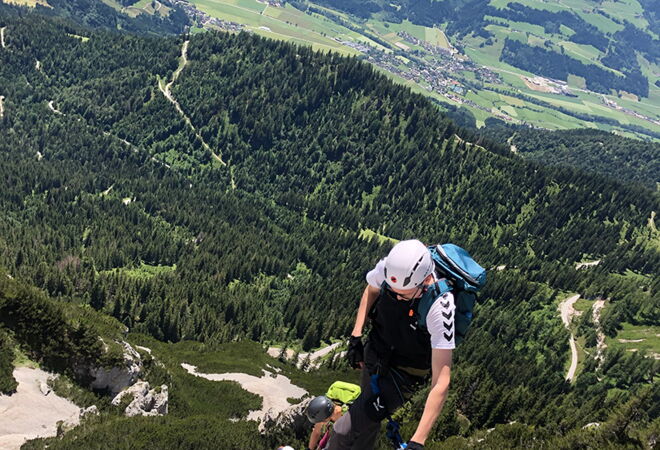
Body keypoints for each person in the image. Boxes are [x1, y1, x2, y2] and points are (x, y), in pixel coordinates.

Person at [327, 239, 456, 450]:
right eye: (393, 290)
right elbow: (371, 290)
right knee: (369, 419)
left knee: (342, 431)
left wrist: (417, 441)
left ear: (424, 282)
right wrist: (356, 336)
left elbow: (441, 380)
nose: (396, 295)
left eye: (403, 294)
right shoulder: (389, 268)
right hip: (376, 354)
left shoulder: (440, 307)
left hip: (404, 375)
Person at [306, 381, 361, 450]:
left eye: (320, 421)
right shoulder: (327, 410)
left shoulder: (347, 419)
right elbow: (316, 431)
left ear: (325, 419)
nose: (320, 423)